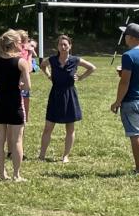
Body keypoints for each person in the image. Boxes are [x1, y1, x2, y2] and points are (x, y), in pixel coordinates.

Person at [37, 34, 96, 163]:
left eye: (65, 44)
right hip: (55, 95)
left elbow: (92, 68)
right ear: (57, 46)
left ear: (70, 46)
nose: (63, 47)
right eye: (60, 44)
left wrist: (81, 77)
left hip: (70, 95)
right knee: (48, 127)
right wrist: (49, 75)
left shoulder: (75, 60)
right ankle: (41, 155)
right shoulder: (52, 60)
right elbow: (42, 65)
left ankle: (65, 156)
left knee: (70, 128)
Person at [110, 23, 139, 174]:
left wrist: (117, 102)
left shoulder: (128, 56)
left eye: (125, 35)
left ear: (131, 37)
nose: (124, 38)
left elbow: (125, 82)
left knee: (135, 136)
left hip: (131, 101)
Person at [0, 29, 31, 181]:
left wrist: (1, 85)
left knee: (0, 139)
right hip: (14, 104)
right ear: (13, 43)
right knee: (17, 140)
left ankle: (2, 174)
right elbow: (27, 86)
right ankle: (16, 175)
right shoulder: (21, 62)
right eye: (20, 42)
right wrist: (18, 84)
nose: (22, 44)